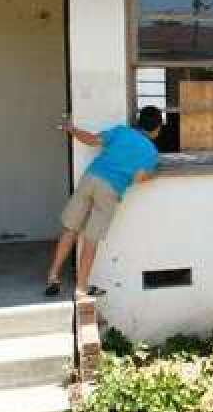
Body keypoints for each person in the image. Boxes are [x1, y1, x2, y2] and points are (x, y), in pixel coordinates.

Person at [45, 106, 162, 297]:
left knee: (70, 229)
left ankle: (53, 275)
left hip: (90, 179)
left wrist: (71, 129)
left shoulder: (121, 131)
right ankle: (81, 287)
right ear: (157, 129)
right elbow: (139, 178)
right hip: (109, 191)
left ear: (138, 121)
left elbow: (92, 140)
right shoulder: (150, 152)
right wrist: (153, 174)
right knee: (91, 240)